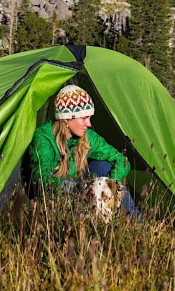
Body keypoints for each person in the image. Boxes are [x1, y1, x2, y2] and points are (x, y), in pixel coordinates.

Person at [28, 84, 140, 217]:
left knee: (103, 166)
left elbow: (121, 159)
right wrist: (79, 189)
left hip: (83, 187)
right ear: (67, 119)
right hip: (59, 195)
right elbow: (41, 178)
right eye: (84, 118)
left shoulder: (88, 136)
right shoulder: (44, 138)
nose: (89, 124)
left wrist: (111, 186)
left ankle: (137, 223)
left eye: (89, 118)